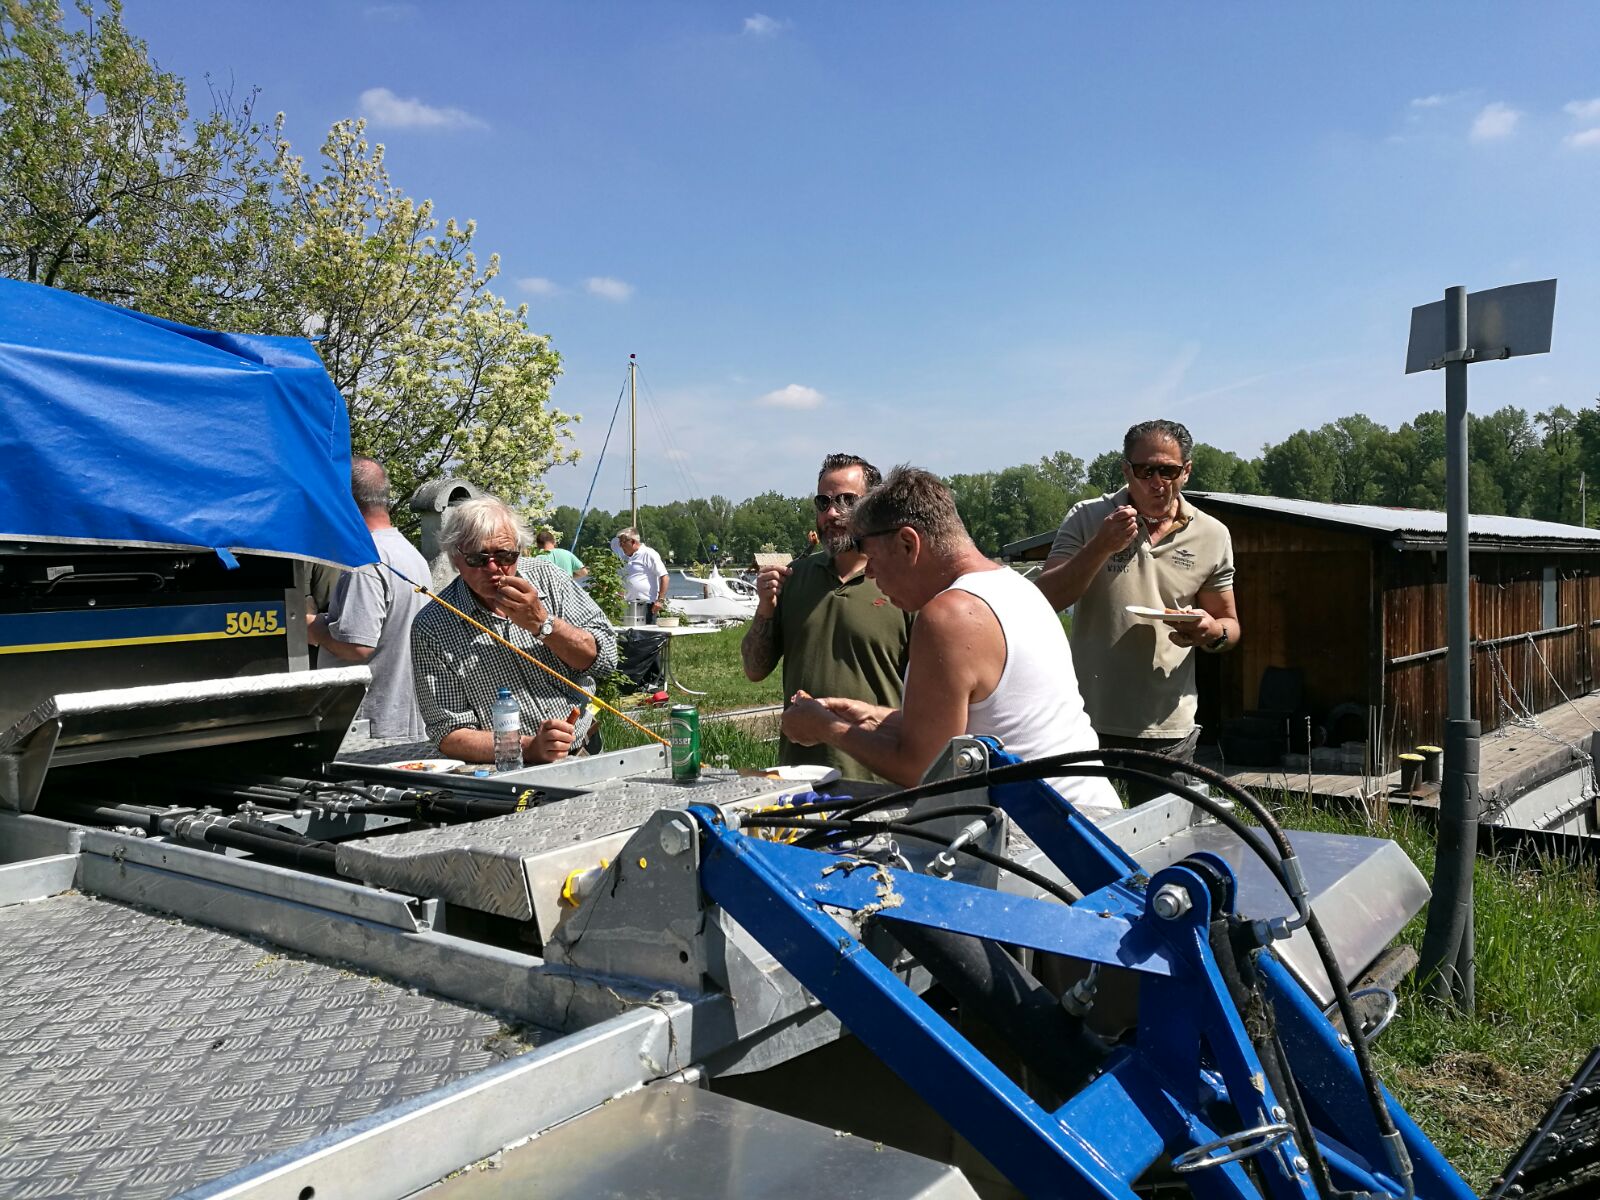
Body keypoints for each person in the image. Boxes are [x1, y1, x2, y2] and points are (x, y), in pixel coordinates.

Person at [781, 466, 1119, 811]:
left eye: (873, 555)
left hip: (1044, 830)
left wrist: (827, 729)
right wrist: (869, 717)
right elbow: (974, 727)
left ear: (908, 544)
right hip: (1092, 814)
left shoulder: (948, 616)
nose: (869, 572)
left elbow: (923, 771)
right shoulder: (1015, 588)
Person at [1035, 419, 1239, 804]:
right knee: (1088, 837)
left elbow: (1229, 626)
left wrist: (1211, 632)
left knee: (1165, 835)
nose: (1157, 482)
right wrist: (1101, 546)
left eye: (1168, 471)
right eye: (1145, 470)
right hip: (1087, 722)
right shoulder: (1089, 518)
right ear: (1126, 470)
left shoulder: (1212, 534)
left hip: (1167, 729)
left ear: (1186, 471)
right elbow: (1044, 599)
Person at [742, 453, 913, 781]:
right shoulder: (793, 577)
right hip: (799, 779)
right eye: (824, 502)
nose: (832, 513)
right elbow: (754, 669)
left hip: (880, 782)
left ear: (873, 506)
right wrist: (765, 606)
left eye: (847, 501)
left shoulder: (903, 584)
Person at [411, 497, 618, 765]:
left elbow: (606, 659)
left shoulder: (549, 578)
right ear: (455, 558)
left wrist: (543, 624)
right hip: (506, 767)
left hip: (584, 750)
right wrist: (529, 747)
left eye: (505, 556)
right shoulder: (433, 625)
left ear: (519, 550)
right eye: (477, 558)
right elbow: (448, 732)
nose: (493, 568)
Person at [307, 457, 431, 740]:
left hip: (370, 728)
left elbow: (357, 646)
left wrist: (313, 627)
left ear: (343, 500)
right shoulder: (409, 553)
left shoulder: (365, 561)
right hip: (402, 720)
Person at [612, 526, 668, 623]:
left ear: (633, 542)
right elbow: (623, 579)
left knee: (647, 632)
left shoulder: (648, 554)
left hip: (646, 605)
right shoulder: (624, 558)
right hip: (626, 605)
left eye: (623, 542)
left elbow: (664, 577)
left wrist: (660, 600)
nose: (620, 546)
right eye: (619, 543)